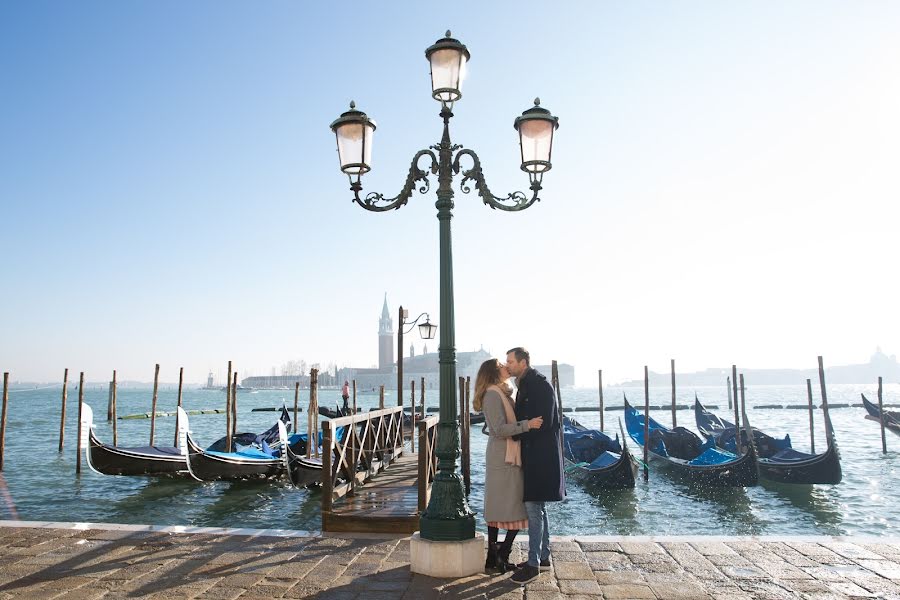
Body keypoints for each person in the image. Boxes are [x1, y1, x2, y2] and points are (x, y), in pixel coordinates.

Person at [474, 358, 543, 574]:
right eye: (503, 365)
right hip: (503, 458)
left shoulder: (502, 392)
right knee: (510, 507)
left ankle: (494, 557)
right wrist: (528, 425)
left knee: (504, 507)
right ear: (495, 372)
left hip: (506, 456)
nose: (507, 366)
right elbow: (499, 430)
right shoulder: (494, 394)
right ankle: (500, 554)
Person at [506, 347, 565, 585]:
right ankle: (543, 557)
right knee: (538, 507)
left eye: (510, 361)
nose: (507, 365)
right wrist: (525, 425)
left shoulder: (539, 386)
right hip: (534, 455)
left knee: (533, 509)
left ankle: (533, 565)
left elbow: (544, 422)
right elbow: (530, 421)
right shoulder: (525, 385)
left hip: (541, 457)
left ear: (523, 363)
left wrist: (520, 430)